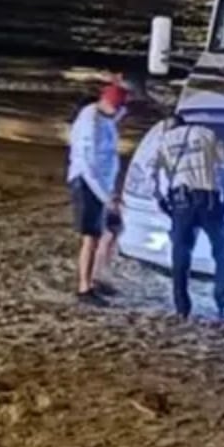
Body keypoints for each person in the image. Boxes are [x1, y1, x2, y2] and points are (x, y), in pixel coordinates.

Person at [149, 112, 224, 318]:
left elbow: (150, 170)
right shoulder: (206, 134)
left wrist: (158, 196)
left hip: (181, 203)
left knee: (181, 253)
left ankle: (182, 307)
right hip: (209, 201)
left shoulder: (164, 141)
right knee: (221, 250)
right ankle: (221, 297)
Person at [66, 81, 129, 302]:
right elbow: (88, 164)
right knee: (90, 237)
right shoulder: (89, 121)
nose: (119, 111)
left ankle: (95, 278)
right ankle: (85, 287)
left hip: (103, 185)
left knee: (112, 230)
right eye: (116, 106)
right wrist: (106, 197)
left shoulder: (106, 117)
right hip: (86, 184)